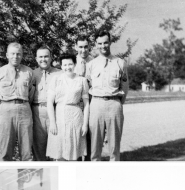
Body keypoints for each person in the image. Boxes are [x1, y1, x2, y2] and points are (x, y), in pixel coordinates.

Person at [86, 30, 129, 161]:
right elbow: (88, 86)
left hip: (114, 104)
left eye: (105, 42)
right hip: (96, 104)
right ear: (96, 44)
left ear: (110, 42)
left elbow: (125, 86)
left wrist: (118, 103)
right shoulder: (91, 64)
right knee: (95, 145)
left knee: (114, 146)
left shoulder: (120, 63)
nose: (103, 46)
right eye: (100, 43)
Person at [0, 42, 35, 161]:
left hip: (24, 109)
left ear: (22, 55)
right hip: (5, 109)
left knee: (26, 150)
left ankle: (27, 174)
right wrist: (4, 108)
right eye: (13, 54)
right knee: (6, 149)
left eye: (18, 54)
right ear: (7, 55)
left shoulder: (29, 72)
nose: (16, 56)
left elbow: (31, 93)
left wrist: (23, 105)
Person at [46, 53, 90, 161]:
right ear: (61, 66)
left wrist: (85, 124)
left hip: (75, 118)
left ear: (74, 64)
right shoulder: (56, 79)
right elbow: (49, 102)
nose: (67, 67)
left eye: (70, 64)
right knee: (59, 152)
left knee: (74, 153)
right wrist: (52, 122)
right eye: (64, 65)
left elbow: (86, 104)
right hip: (59, 118)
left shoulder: (82, 80)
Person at [31, 46, 61, 161]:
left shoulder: (60, 73)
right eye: (40, 57)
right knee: (39, 147)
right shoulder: (31, 74)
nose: (43, 59)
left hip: (55, 112)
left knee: (56, 147)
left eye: (46, 56)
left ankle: (56, 176)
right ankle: (41, 177)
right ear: (36, 59)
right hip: (37, 112)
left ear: (51, 58)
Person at [74, 35, 93, 161]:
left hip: (91, 103)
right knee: (76, 138)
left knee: (89, 137)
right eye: (80, 47)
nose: (83, 50)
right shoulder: (71, 63)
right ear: (76, 47)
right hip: (75, 105)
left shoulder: (95, 62)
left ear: (90, 47)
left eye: (86, 46)